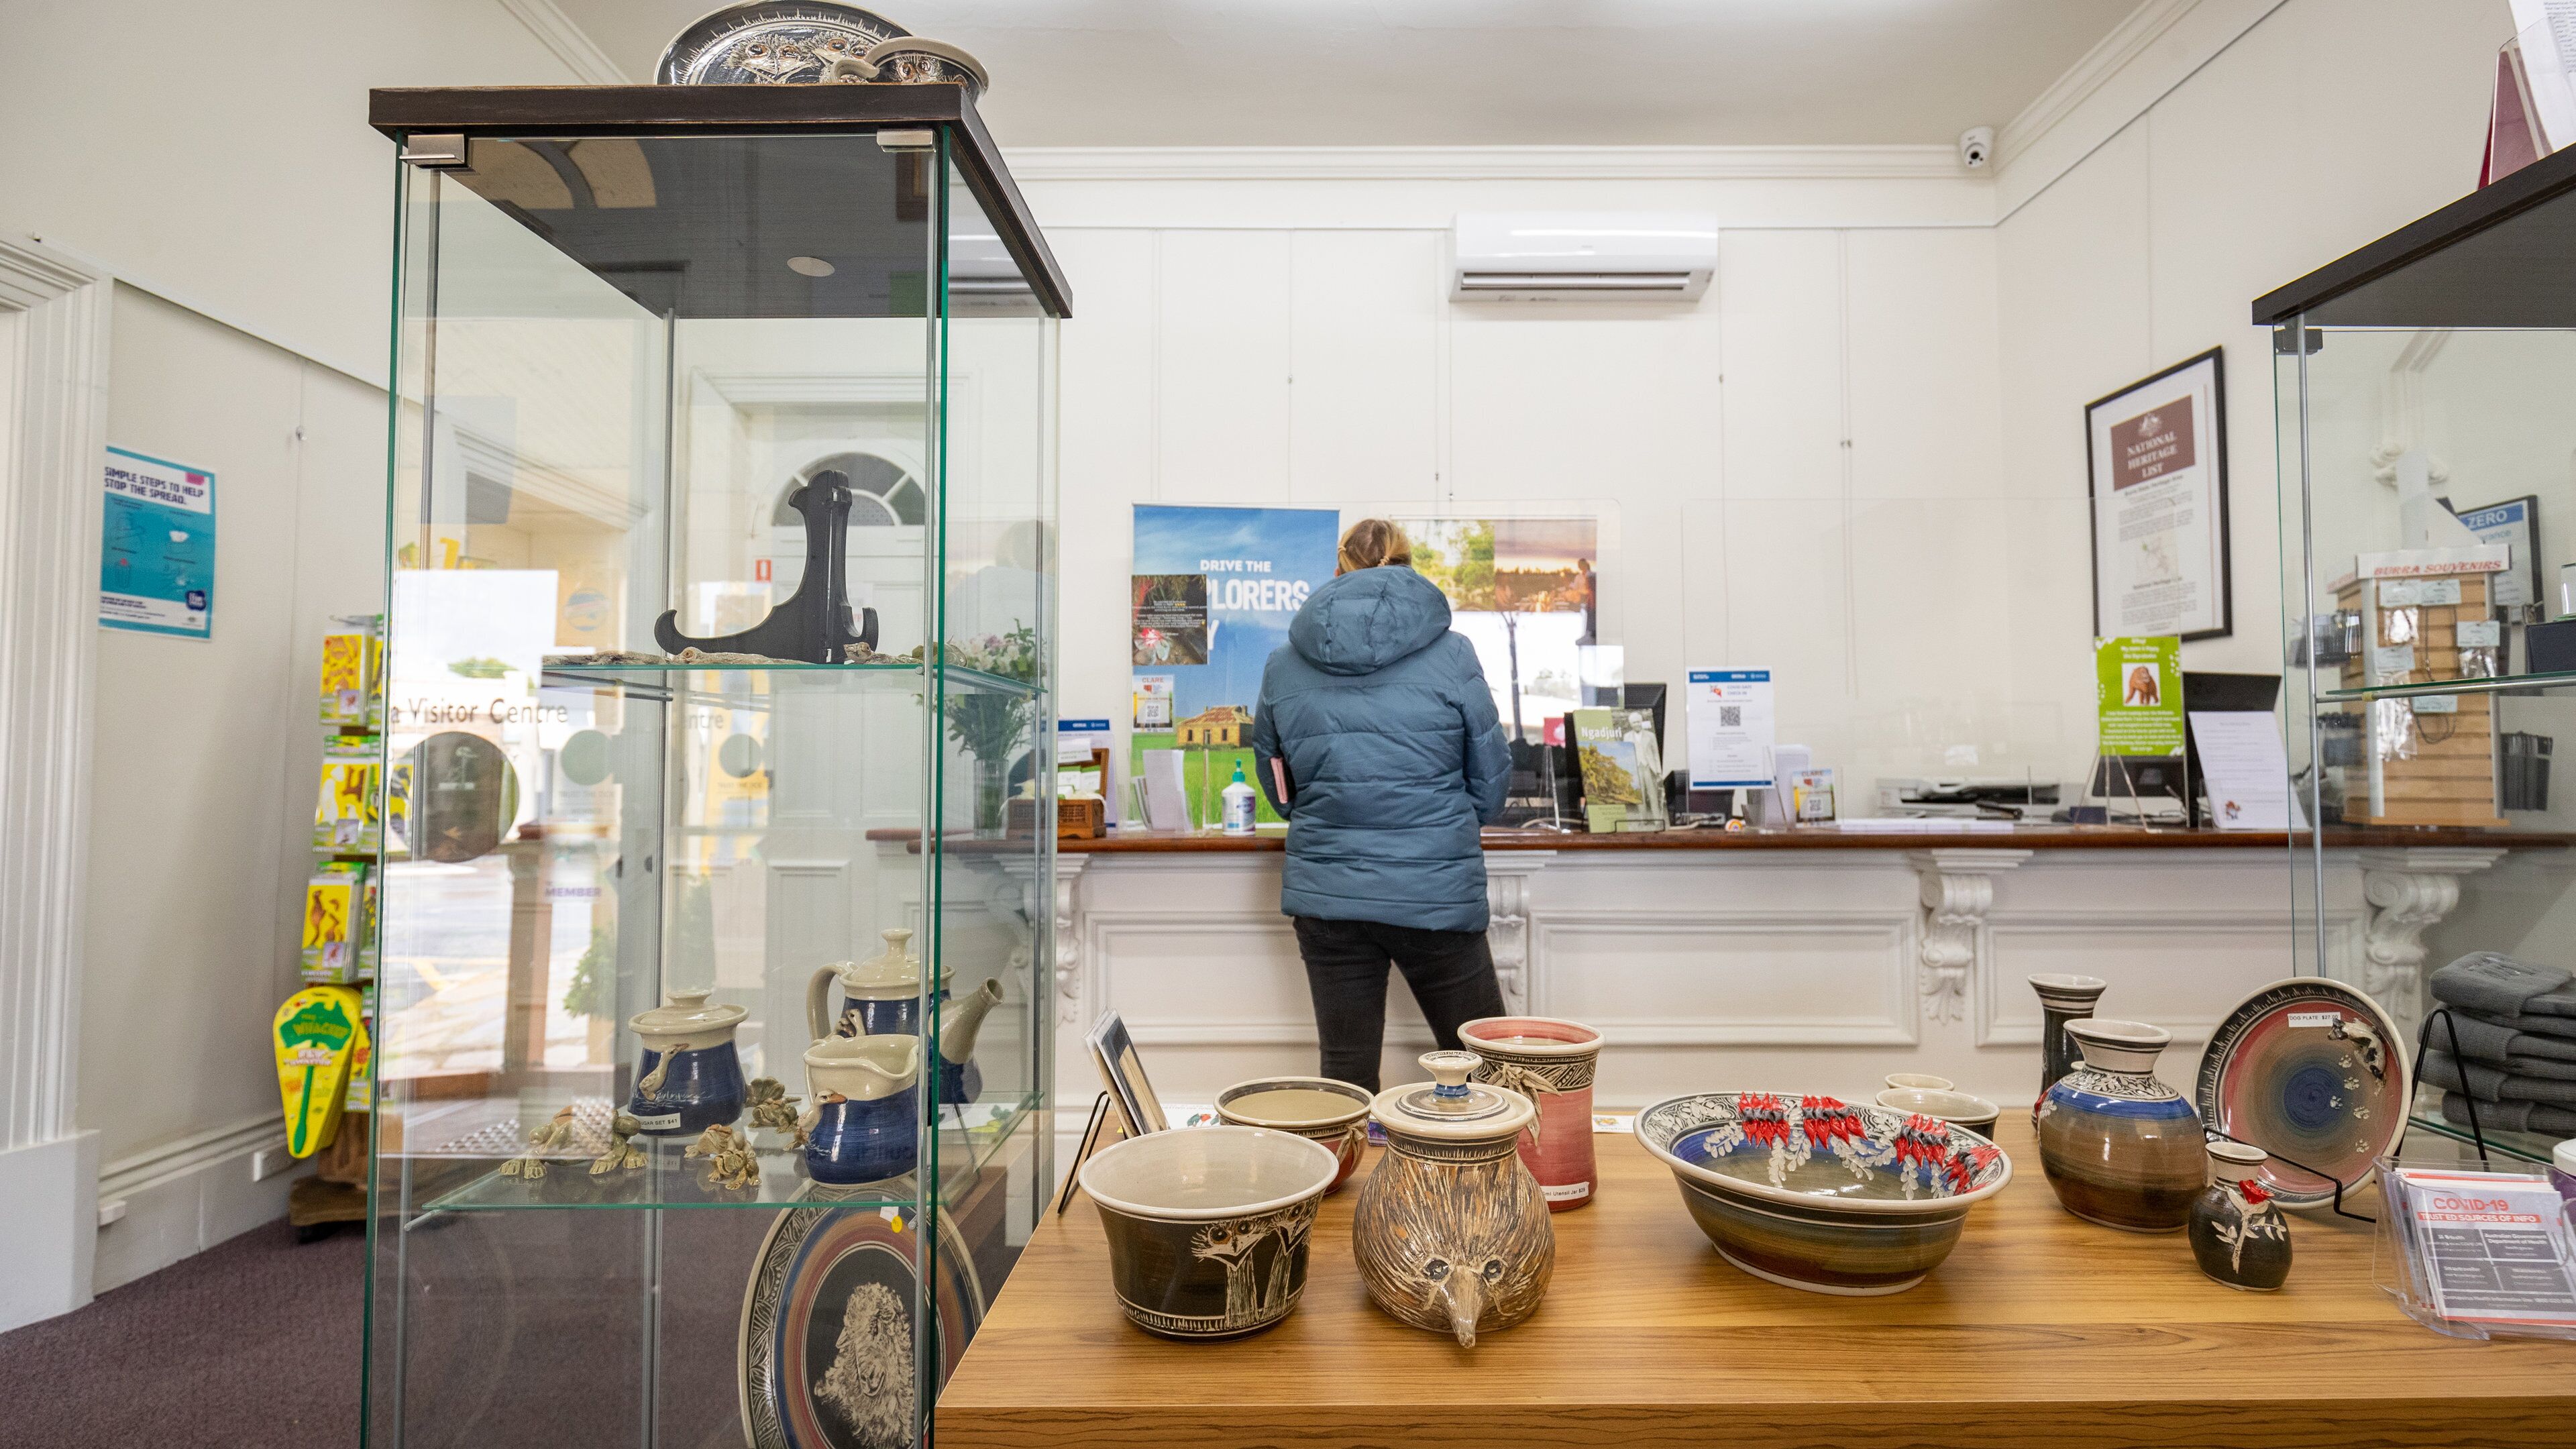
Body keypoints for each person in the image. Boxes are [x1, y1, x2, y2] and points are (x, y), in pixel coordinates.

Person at [1250, 519, 1512, 1093]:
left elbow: (1278, 786)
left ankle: (1345, 1185)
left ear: (1339, 565)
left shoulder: (1282, 663)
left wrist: (1331, 815)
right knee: (1488, 1074)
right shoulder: (1453, 654)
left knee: (1344, 1076)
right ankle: (1486, 1185)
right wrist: (1436, 820)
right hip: (1436, 890)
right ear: (1407, 562)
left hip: (1329, 895)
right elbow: (1492, 785)